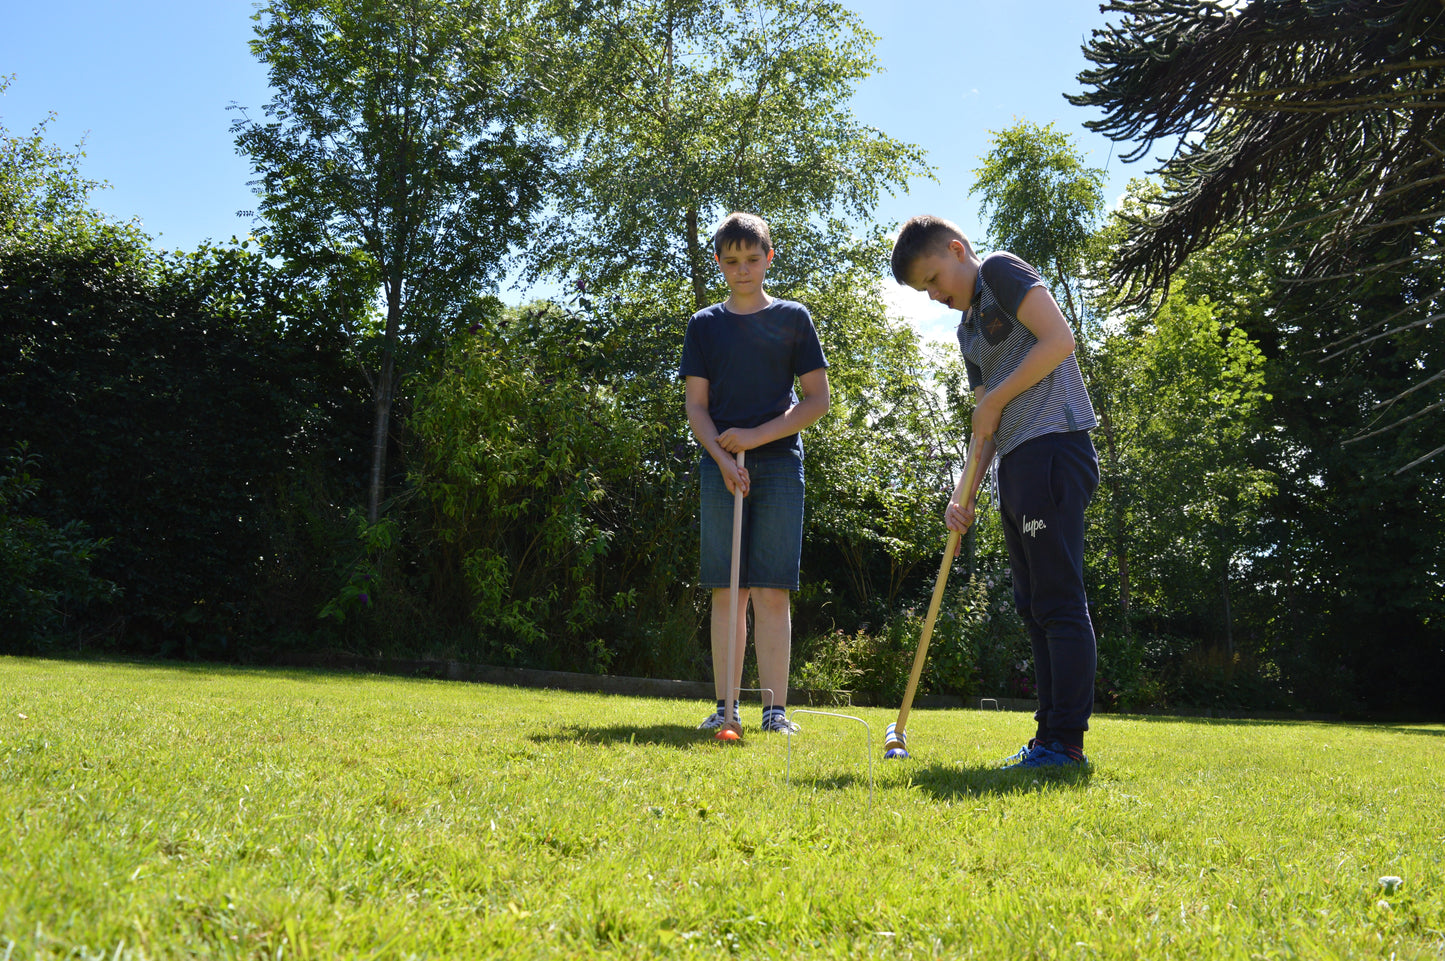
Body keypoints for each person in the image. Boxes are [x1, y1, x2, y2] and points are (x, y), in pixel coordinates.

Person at [891, 215, 1099, 768]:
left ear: (958, 251)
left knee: (1058, 600)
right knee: (1033, 607)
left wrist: (995, 397)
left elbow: (1059, 340)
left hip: (1055, 444)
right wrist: (966, 495)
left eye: (934, 279)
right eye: (924, 291)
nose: (935, 295)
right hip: (1016, 461)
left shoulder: (1003, 272)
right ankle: (1048, 738)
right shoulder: (966, 334)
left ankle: (1066, 744)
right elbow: (986, 425)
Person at [680, 212, 830, 734]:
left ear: (768, 258)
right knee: (728, 589)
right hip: (720, 466)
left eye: (752, 259)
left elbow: (816, 401)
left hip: (780, 465)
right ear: (719, 263)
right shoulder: (704, 326)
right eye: (731, 261)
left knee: (770, 590)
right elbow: (696, 407)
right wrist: (723, 457)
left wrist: (752, 438)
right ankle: (726, 708)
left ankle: (775, 711)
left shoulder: (793, 319)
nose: (742, 270)